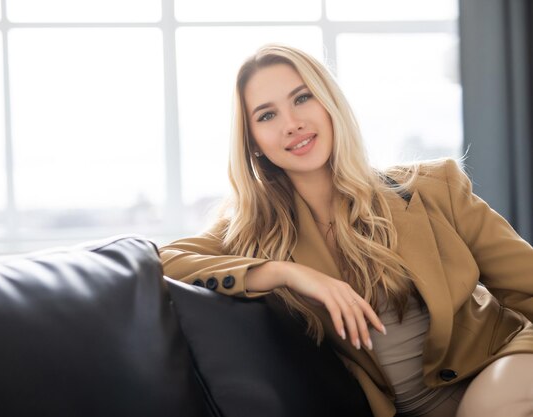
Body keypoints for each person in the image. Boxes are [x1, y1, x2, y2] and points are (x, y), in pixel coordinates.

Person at [159, 44, 533, 417]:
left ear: (328, 103)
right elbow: (161, 260)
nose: (292, 123)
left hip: (503, 369)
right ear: (253, 143)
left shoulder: (435, 186)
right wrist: (285, 273)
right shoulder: (250, 235)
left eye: (302, 98)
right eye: (267, 115)